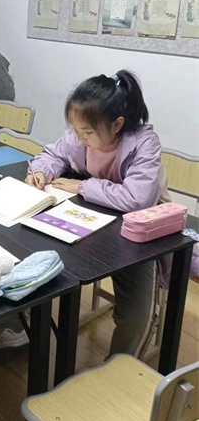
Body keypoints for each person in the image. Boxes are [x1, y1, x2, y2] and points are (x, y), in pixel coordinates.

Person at [24, 70, 166, 359]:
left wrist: (82, 186)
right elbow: (53, 154)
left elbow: (137, 199)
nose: (79, 138)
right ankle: (26, 330)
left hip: (137, 234)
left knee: (136, 311)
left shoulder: (144, 143)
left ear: (117, 124)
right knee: (34, 258)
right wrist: (41, 171)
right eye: (75, 130)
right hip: (91, 223)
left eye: (87, 132)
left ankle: (120, 366)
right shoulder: (80, 135)